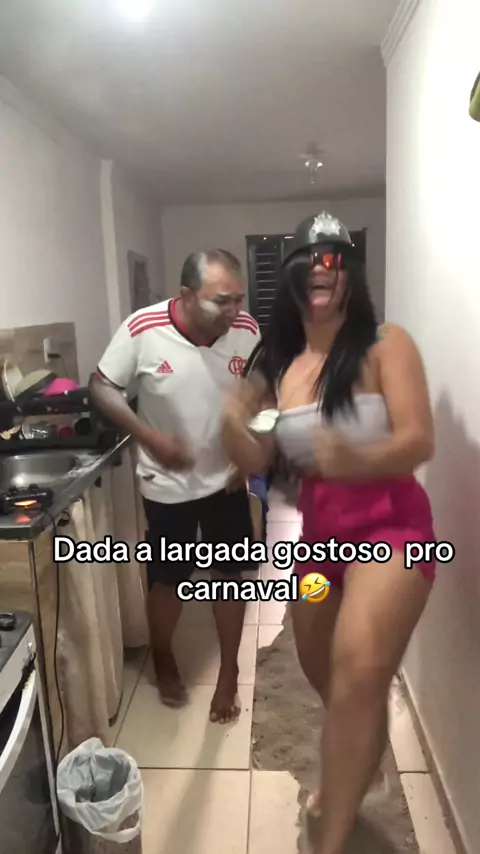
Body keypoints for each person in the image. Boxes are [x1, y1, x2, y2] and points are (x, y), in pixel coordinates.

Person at [222, 212, 436, 853]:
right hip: (321, 548)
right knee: (324, 671)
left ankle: (332, 837)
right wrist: (233, 422)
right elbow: (258, 459)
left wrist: (352, 458)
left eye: (335, 260)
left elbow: (418, 439)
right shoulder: (283, 368)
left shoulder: (386, 344)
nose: (322, 270)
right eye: (309, 261)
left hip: (394, 534)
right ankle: (362, 752)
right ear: (290, 278)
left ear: (351, 275)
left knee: (358, 667)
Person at [90, 249, 260, 724]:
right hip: (167, 483)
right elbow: (101, 386)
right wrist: (149, 437)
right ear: (186, 295)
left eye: (238, 299)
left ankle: (229, 672)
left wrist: (250, 444)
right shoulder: (143, 330)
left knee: (231, 576)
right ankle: (163, 656)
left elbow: (258, 392)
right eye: (221, 301)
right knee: (169, 579)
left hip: (227, 480)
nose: (233, 311)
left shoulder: (246, 331)